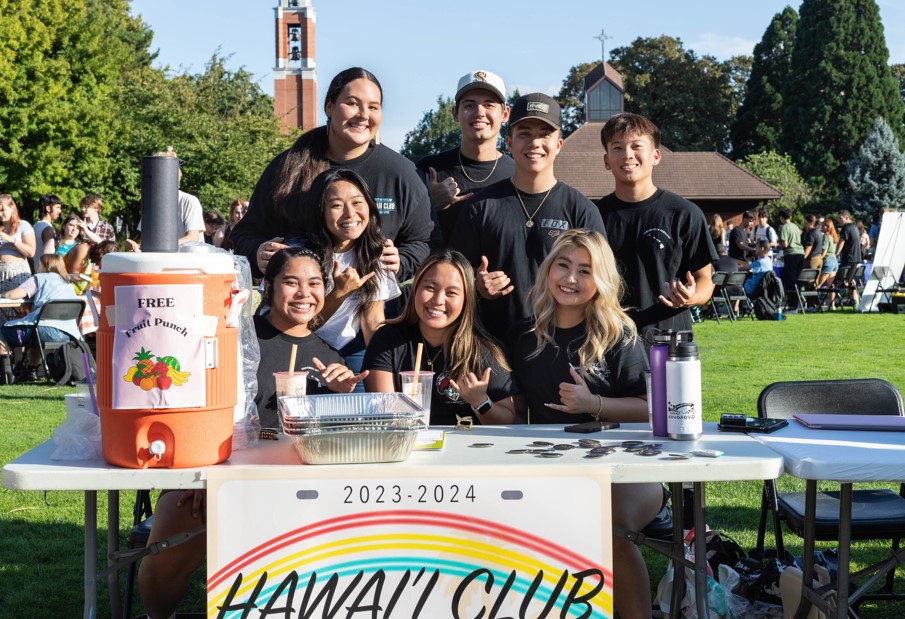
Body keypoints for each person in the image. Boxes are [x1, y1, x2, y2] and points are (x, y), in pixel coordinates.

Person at [138, 247, 365, 619]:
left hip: (295, 483)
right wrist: (207, 476)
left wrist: (340, 396)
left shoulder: (331, 359)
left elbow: (334, 446)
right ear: (268, 287)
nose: (304, 293)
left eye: (314, 284)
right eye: (291, 282)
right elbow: (196, 407)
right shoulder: (236, 338)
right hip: (217, 465)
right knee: (177, 525)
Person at [507, 229, 663, 618]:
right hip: (552, 465)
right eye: (563, 265)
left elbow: (652, 408)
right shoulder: (524, 335)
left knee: (610, 526)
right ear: (548, 269)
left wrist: (595, 404)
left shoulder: (619, 334)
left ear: (601, 280)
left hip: (627, 467)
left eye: (585, 270)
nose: (571, 278)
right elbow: (516, 412)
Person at [230, 67, 434, 283]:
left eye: (373, 107)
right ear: (329, 107)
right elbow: (245, 235)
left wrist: (402, 261)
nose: (363, 114)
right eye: (352, 103)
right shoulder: (287, 167)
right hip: (296, 302)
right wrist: (258, 253)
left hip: (374, 302)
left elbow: (426, 242)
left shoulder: (403, 174)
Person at [448, 92, 606, 338]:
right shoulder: (480, 207)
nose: (534, 143)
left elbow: (601, 286)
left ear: (559, 145)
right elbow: (452, 280)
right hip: (492, 347)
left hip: (559, 346)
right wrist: (476, 287)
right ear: (509, 143)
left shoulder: (581, 211)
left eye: (544, 134)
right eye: (524, 134)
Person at [595, 113, 716, 343]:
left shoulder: (685, 214)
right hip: (609, 341)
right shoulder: (593, 216)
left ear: (655, 156)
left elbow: (705, 280)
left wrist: (692, 297)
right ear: (607, 160)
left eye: (636, 146)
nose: (627, 154)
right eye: (617, 147)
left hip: (669, 341)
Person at [363, 249, 519, 426]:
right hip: (407, 440)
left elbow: (508, 419)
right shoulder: (387, 340)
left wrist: (480, 402)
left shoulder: (484, 350)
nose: (438, 300)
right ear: (415, 289)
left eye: (451, 293)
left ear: (466, 299)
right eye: (430, 288)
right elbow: (385, 413)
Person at [299, 168, 400, 375]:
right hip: (303, 344)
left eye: (357, 203)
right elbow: (298, 325)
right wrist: (340, 292)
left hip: (351, 348)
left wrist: (383, 374)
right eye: (336, 205)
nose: (350, 214)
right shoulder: (298, 255)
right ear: (320, 210)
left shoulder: (376, 252)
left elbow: (373, 321)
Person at [415, 70, 514, 242]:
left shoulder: (517, 174)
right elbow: (403, 228)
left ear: (505, 114)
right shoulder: (429, 169)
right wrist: (429, 204)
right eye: (469, 105)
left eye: (489, 105)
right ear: (455, 113)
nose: (479, 112)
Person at [1, 255, 81, 380]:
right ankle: (32, 370)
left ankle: (7, 375)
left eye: (38, 264)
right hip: (69, 334)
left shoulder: (39, 278)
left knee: (3, 330)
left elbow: (13, 295)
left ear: (46, 266)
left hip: (45, 330)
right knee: (34, 332)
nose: (36, 267)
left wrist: (3, 293)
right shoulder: (68, 283)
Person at [135, 149, 205, 247]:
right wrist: (137, 247)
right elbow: (147, 239)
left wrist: (162, 246)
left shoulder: (189, 201)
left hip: (186, 256)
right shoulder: (150, 204)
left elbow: (193, 237)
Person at [0, 194, 37, 322]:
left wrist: (12, 240)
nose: (0, 214)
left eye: (2, 210)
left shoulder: (23, 225)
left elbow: (31, 252)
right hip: (1, 274)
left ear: (12, 207)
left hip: (17, 274)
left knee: (17, 314)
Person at [777, 208, 804, 309]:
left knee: (791, 280)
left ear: (781, 217)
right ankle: (796, 303)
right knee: (796, 280)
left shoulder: (785, 227)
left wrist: (778, 247)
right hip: (800, 253)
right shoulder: (795, 226)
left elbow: (785, 244)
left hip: (791, 254)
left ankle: (792, 305)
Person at [835, 209, 862, 307]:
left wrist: (836, 253)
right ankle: (854, 300)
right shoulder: (854, 227)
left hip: (849, 257)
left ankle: (840, 300)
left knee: (840, 279)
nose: (838, 220)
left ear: (846, 217)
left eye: (840, 218)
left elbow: (842, 241)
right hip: (856, 257)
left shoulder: (846, 227)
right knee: (850, 280)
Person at [32, 193, 62, 268]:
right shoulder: (48, 229)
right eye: (57, 207)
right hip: (46, 270)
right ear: (48, 208)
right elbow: (48, 256)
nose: (60, 211)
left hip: (37, 269)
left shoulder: (36, 225)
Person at [818, 220, 840, 309]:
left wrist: (819, 259)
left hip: (828, 261)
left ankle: (815, 305)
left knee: (818, 285)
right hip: (834, 261)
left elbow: (824, 252)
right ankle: (832, 305)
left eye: (823, 226)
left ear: (828, 227)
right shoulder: (834, 236)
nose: (822, 227)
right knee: (831, 286)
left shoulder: (826, 237)